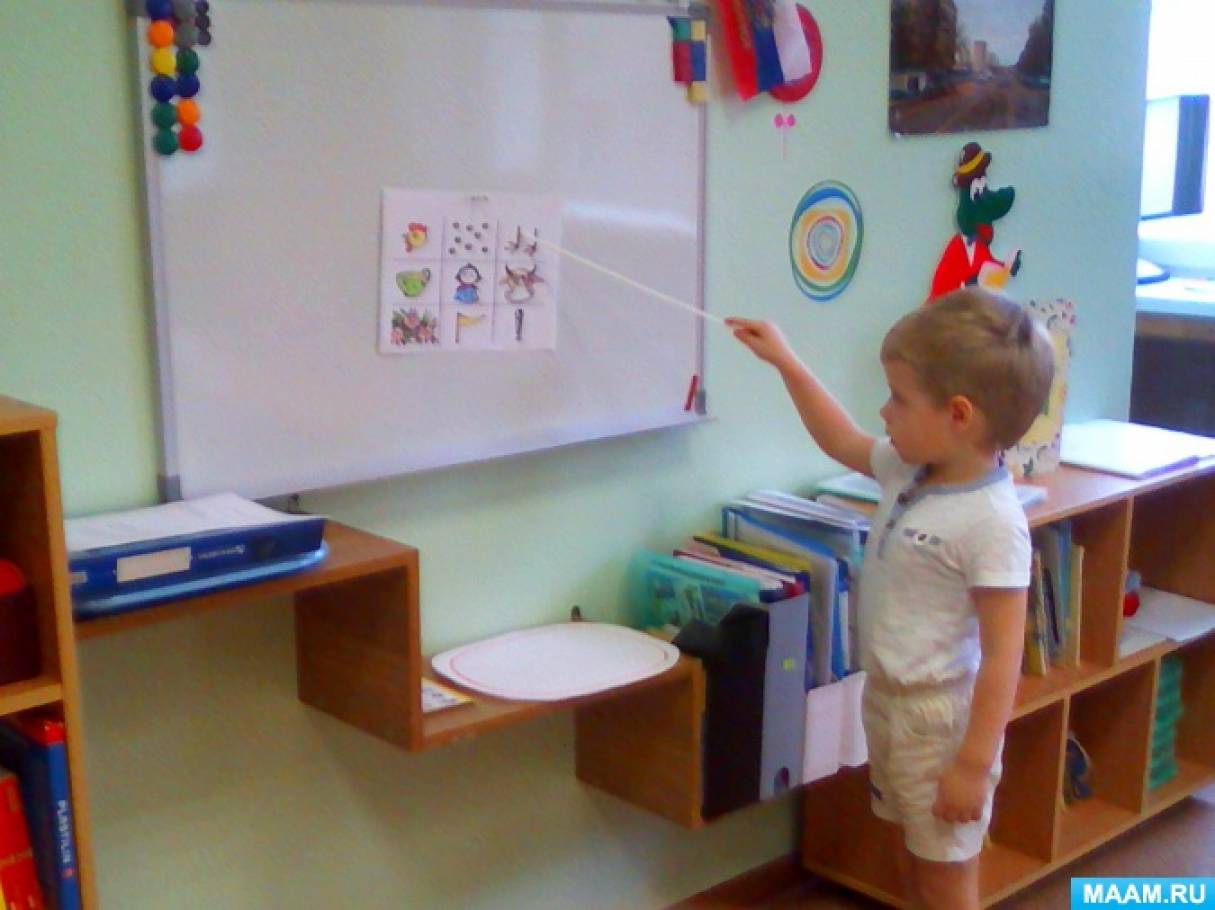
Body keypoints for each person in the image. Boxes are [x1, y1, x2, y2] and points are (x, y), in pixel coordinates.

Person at [726, 288, 1054, 910]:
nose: (884, 412)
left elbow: (1003, 656)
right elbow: (840, 440)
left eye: (899, 399)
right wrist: (787, 363)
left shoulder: (991, 521)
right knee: (910, 855)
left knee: (946, 879)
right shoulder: (910, 469)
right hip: (887, 704)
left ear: (959, 415)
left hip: (941, 722)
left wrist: (973, 765)